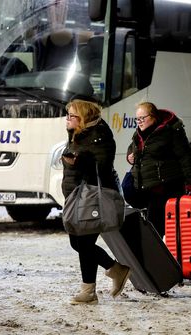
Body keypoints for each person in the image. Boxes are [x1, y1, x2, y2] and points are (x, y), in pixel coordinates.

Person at [61, 98, 130, 305]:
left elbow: (102, 166)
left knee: (83, 242)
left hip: (91, 197)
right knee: (78, 242)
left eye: (72, 115)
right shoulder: (79, 133)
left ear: (83, 117)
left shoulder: (99, 135)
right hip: (77, 195)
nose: (68, 119)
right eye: (68, 115)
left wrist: (79, 160)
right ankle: (116, 269)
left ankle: (88, 292)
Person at [126, 102, 191, 238]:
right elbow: (132, 148)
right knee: (153, 227)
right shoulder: (139, 134)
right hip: (147, 187)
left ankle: (156, 257)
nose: (139, 122)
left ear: (153, 117)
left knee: (155, 230)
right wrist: (130, 156)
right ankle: (154, 255)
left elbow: (186, 158)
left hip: (164, 187)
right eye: (137, 119)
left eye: (142, 118)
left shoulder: (170, 131)